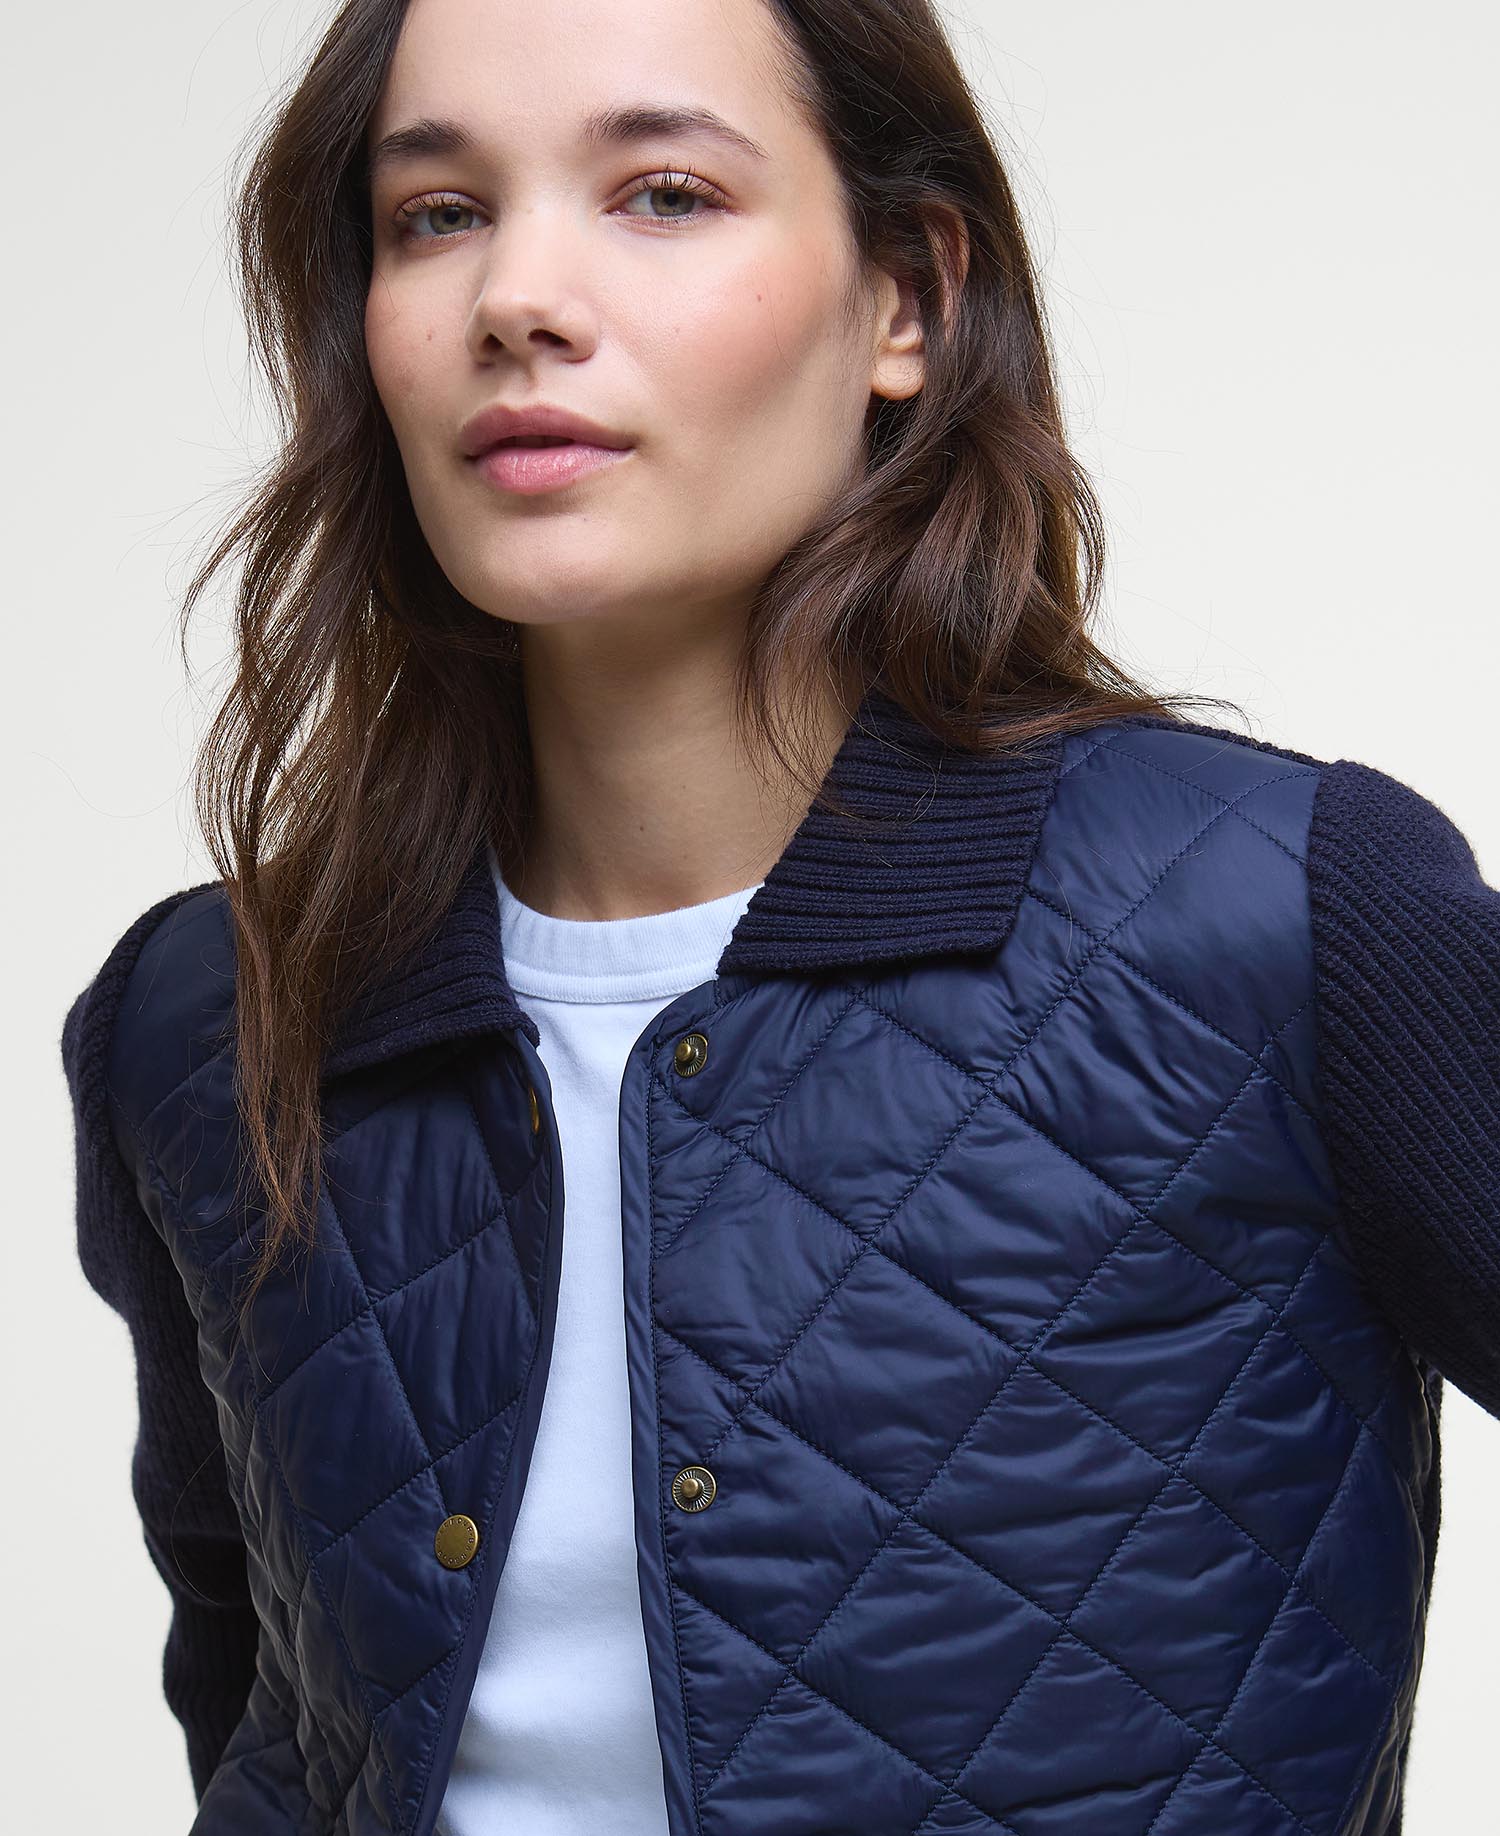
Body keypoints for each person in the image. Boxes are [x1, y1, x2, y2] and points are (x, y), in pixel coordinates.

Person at [60, 0, 1499, 1831]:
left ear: (909, 298)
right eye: (438, 215)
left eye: (663, 193)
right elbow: (255, 1695)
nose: (519, 297)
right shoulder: (208, 1016)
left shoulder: (1278, 918)